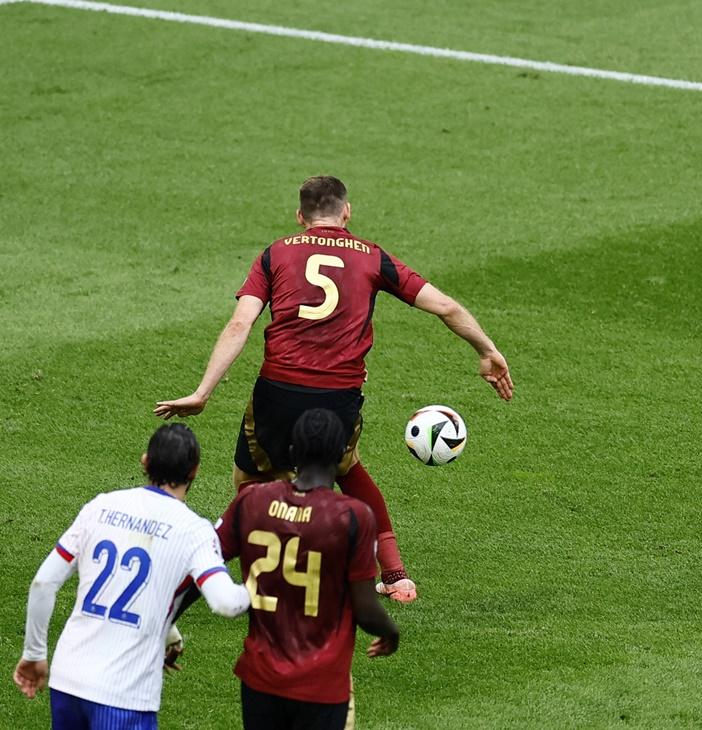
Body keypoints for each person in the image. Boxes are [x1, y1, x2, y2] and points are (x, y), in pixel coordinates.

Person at [154, 175, 514, 601]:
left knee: (251, 482)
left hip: (278, 389)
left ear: (300, 216)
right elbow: (446, 306)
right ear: (347, 212)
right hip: (340, 396)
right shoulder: (372, 257)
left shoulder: (276, 253)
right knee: (347, 468)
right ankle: (396, 576)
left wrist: (202, 392)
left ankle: (233, 571)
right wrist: (487, 349)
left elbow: (240, 323)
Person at [13, 424, 250, 728]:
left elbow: (43, 583)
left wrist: (34, 653)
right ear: (195, 471)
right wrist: (263, 584)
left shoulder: (100, 507)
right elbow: (225, 603)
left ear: (145, 461)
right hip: (124, 695)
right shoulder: (194, 531)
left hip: (68, 681)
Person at [215, 408, 400, 730]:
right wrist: (390, 632)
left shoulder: (252, 501)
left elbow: (205, 557)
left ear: (291, 453)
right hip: (321, 685)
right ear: (341, 453)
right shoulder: (353, 517)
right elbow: (366, 609)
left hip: (259, 679)